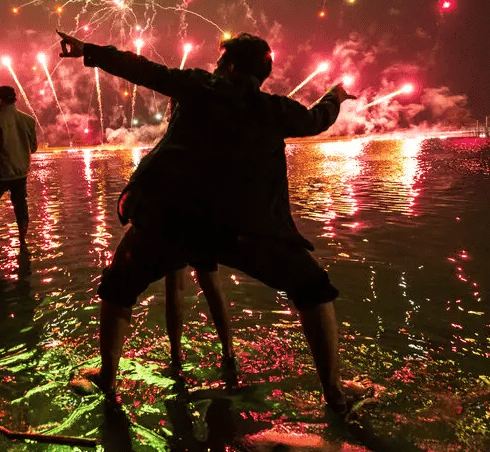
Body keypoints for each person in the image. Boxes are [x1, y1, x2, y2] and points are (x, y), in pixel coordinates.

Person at [57, 29, 365, 413]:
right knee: (314, 289)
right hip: (246, 230)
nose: (215, 66)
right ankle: (334, 393)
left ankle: (106, 376)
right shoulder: (274, 109)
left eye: (221, 61)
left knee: (118, 285)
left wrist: (90, 51)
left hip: (172, 222)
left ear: (231, 65)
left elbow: (144, 70)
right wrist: (334, 96)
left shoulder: (198, 86)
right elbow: (317, 119)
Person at [0, 85, 38, 274]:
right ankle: (22, 241)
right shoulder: (28, 120)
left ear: (0, 101)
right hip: (20, 173)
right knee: (21, 205)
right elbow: (33, 148)